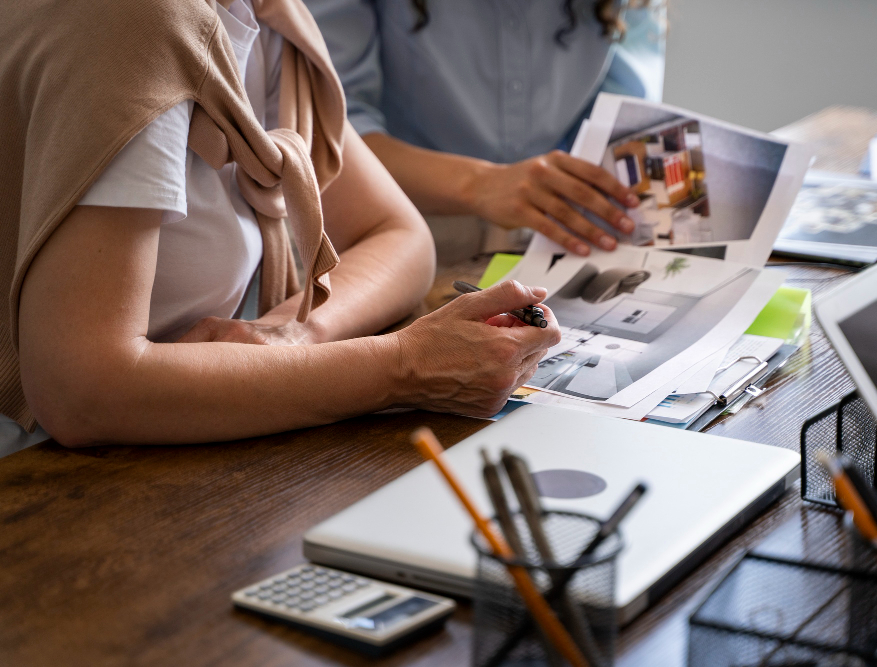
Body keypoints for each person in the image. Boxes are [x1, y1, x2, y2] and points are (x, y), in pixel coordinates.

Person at [0, 0, 560, 455]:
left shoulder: (269, 15)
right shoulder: (134, 20)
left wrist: (295, 333)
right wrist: (405, 366)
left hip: (180, 444)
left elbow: (399, 234)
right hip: (42, 476)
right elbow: (83, 394)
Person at [307, 0, 666, 257]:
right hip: (391, 232)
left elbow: (618, 111)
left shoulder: (623, 10)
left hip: (549, 242)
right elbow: (324, 133)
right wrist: (481, 184)